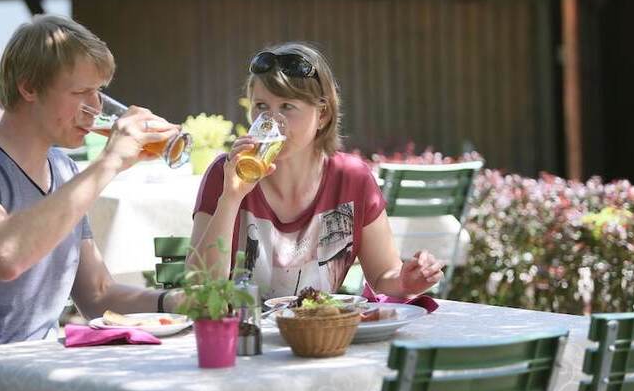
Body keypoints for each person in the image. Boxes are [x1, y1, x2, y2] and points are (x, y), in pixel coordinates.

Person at [0, 15, 183, 391]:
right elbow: (5, 256)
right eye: (81, 92)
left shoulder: (64, 171)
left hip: (37, 382)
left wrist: (178, 301)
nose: (96, 108)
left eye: (99, 92)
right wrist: (107, 165)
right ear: (29, 87)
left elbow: (97, 296)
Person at [188, 42, 444, 300]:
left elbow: (382, 276)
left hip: (320, 336)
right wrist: (231, 198)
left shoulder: (352, 178)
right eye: (262, 107)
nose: (271, 122)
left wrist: (406, 281)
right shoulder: (226, 174)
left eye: (287, 107)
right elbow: (199, 289)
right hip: (242, 337)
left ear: (322, 115)